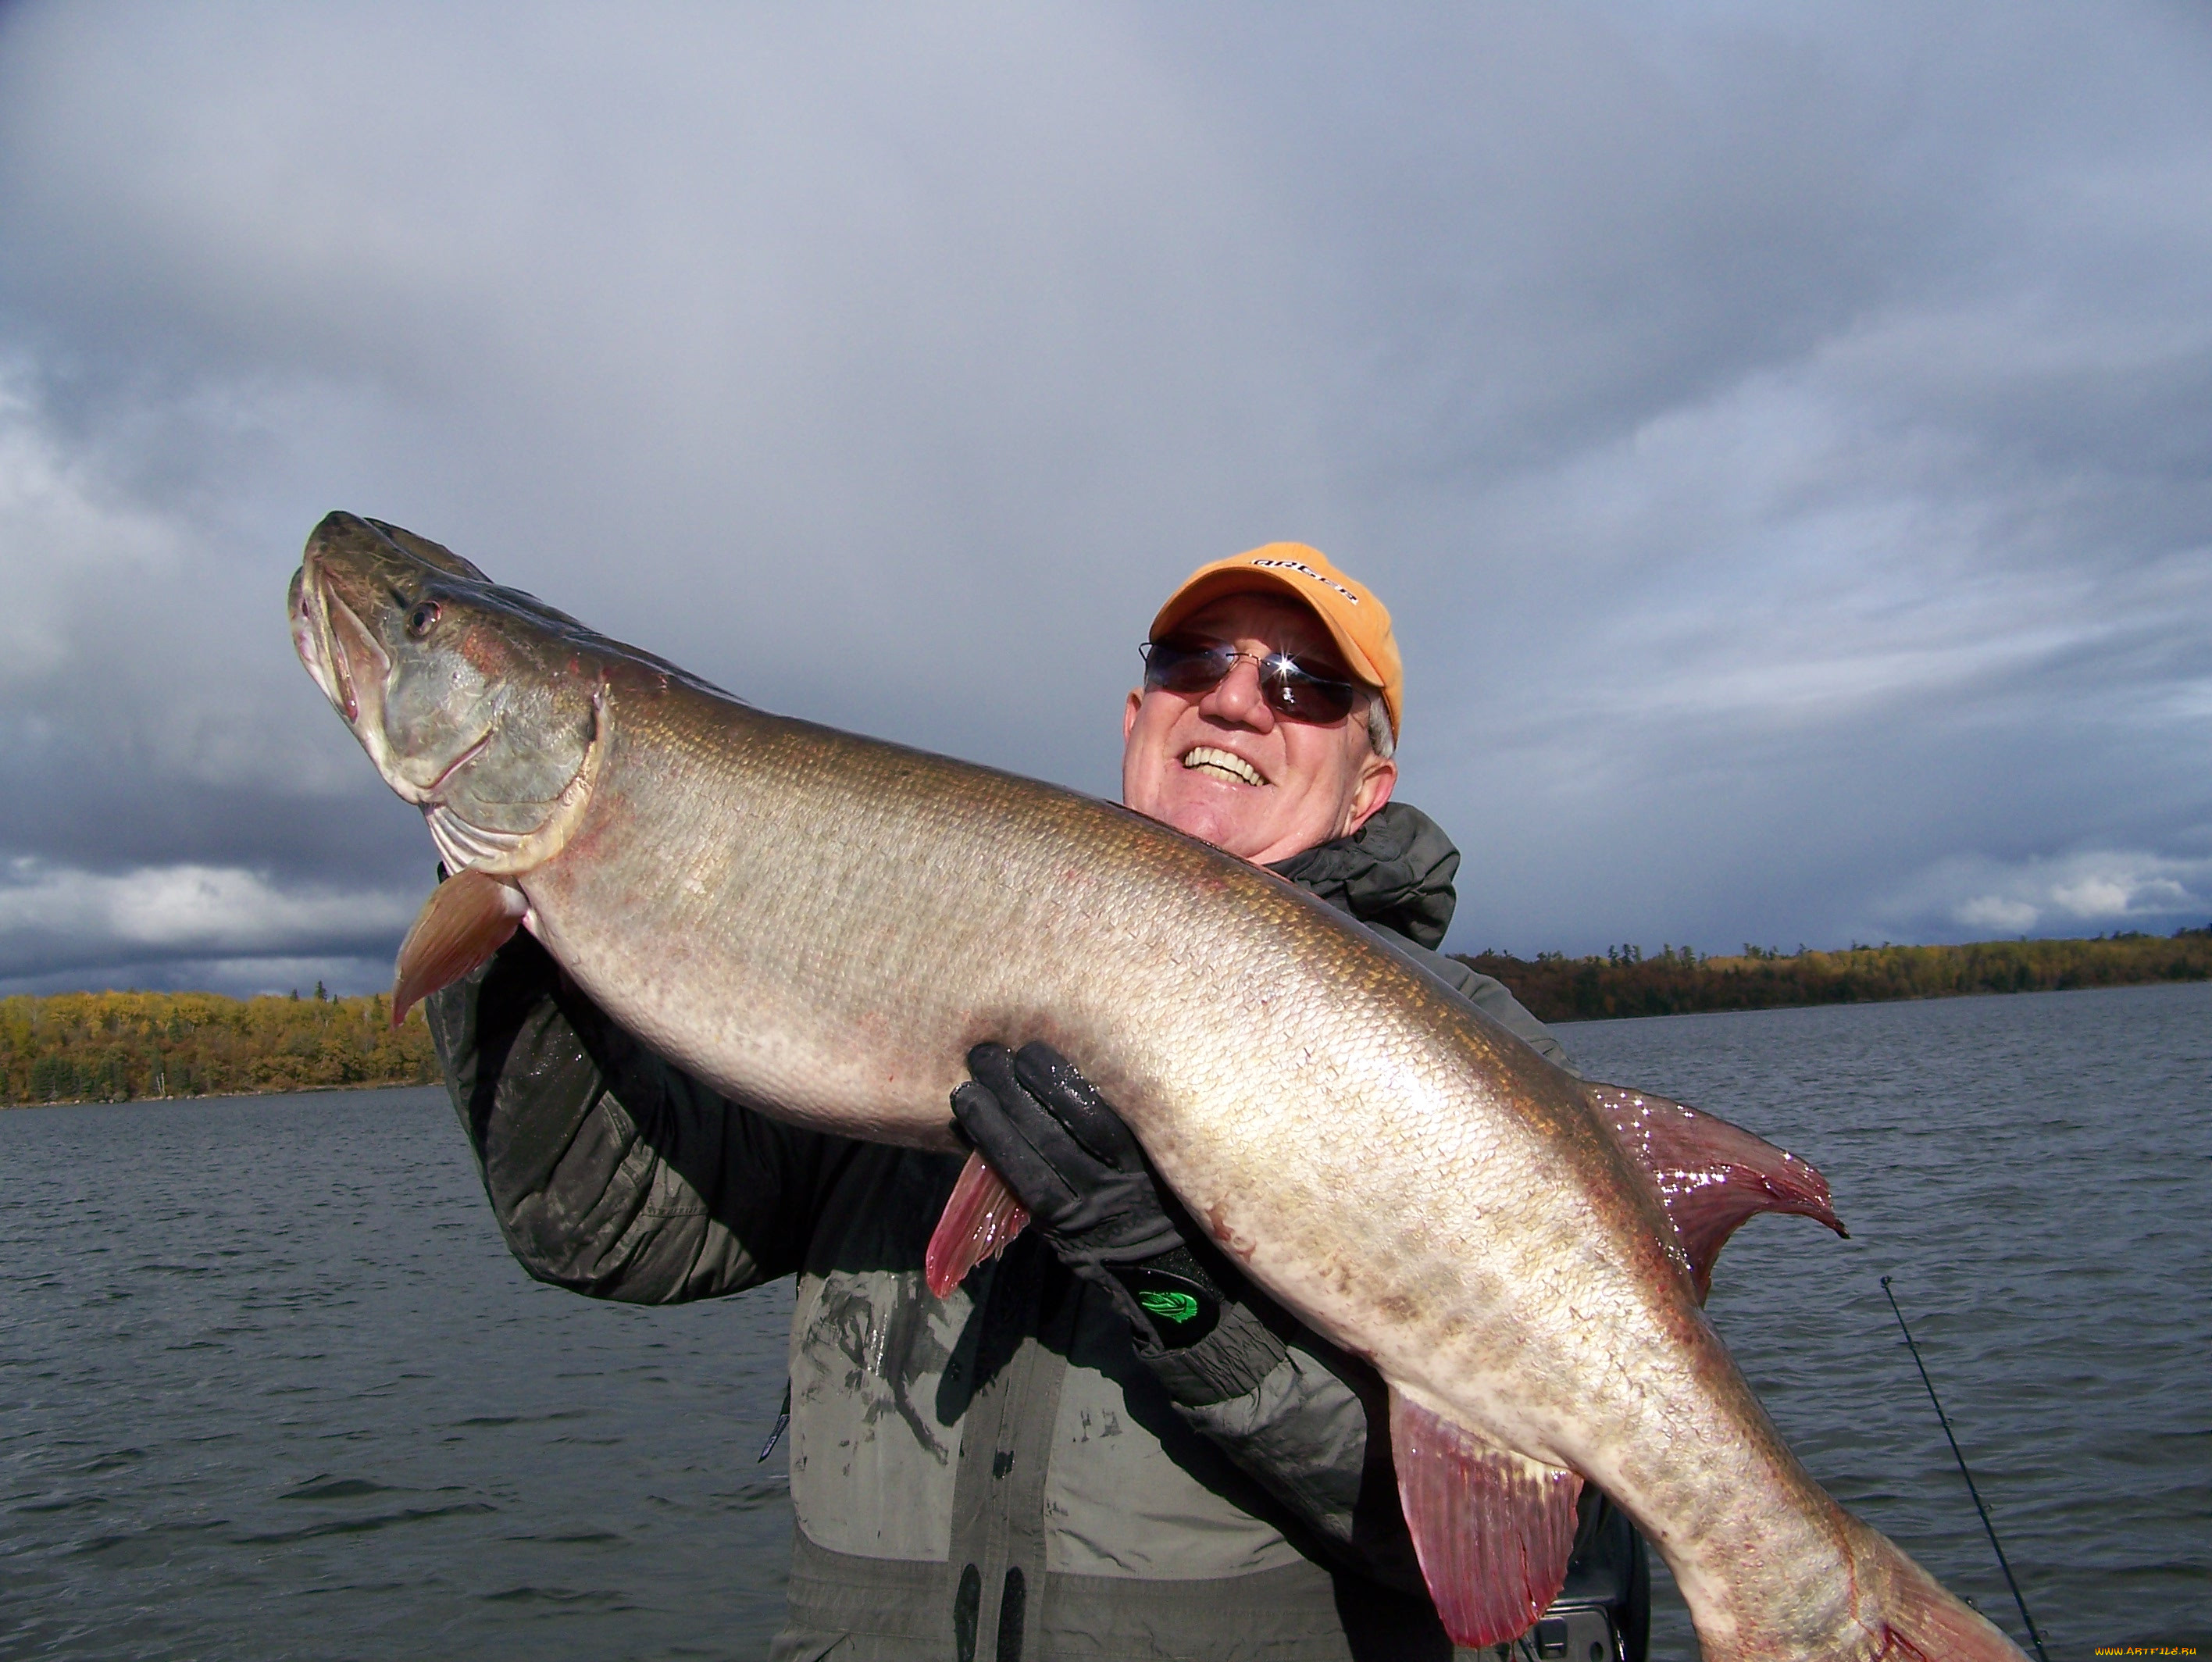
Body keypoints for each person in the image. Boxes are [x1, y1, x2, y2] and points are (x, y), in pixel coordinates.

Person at [426, 544, 1647, 1661]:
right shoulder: (897, 965)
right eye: (1192, 662)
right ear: (1136, 716)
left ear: (1367, 786)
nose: (1235, 698)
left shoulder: (1473, 1065)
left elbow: (1469, 1530)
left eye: (1302, 682)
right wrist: (515, 873)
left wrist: (1177, 1288)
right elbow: (603, 1228)